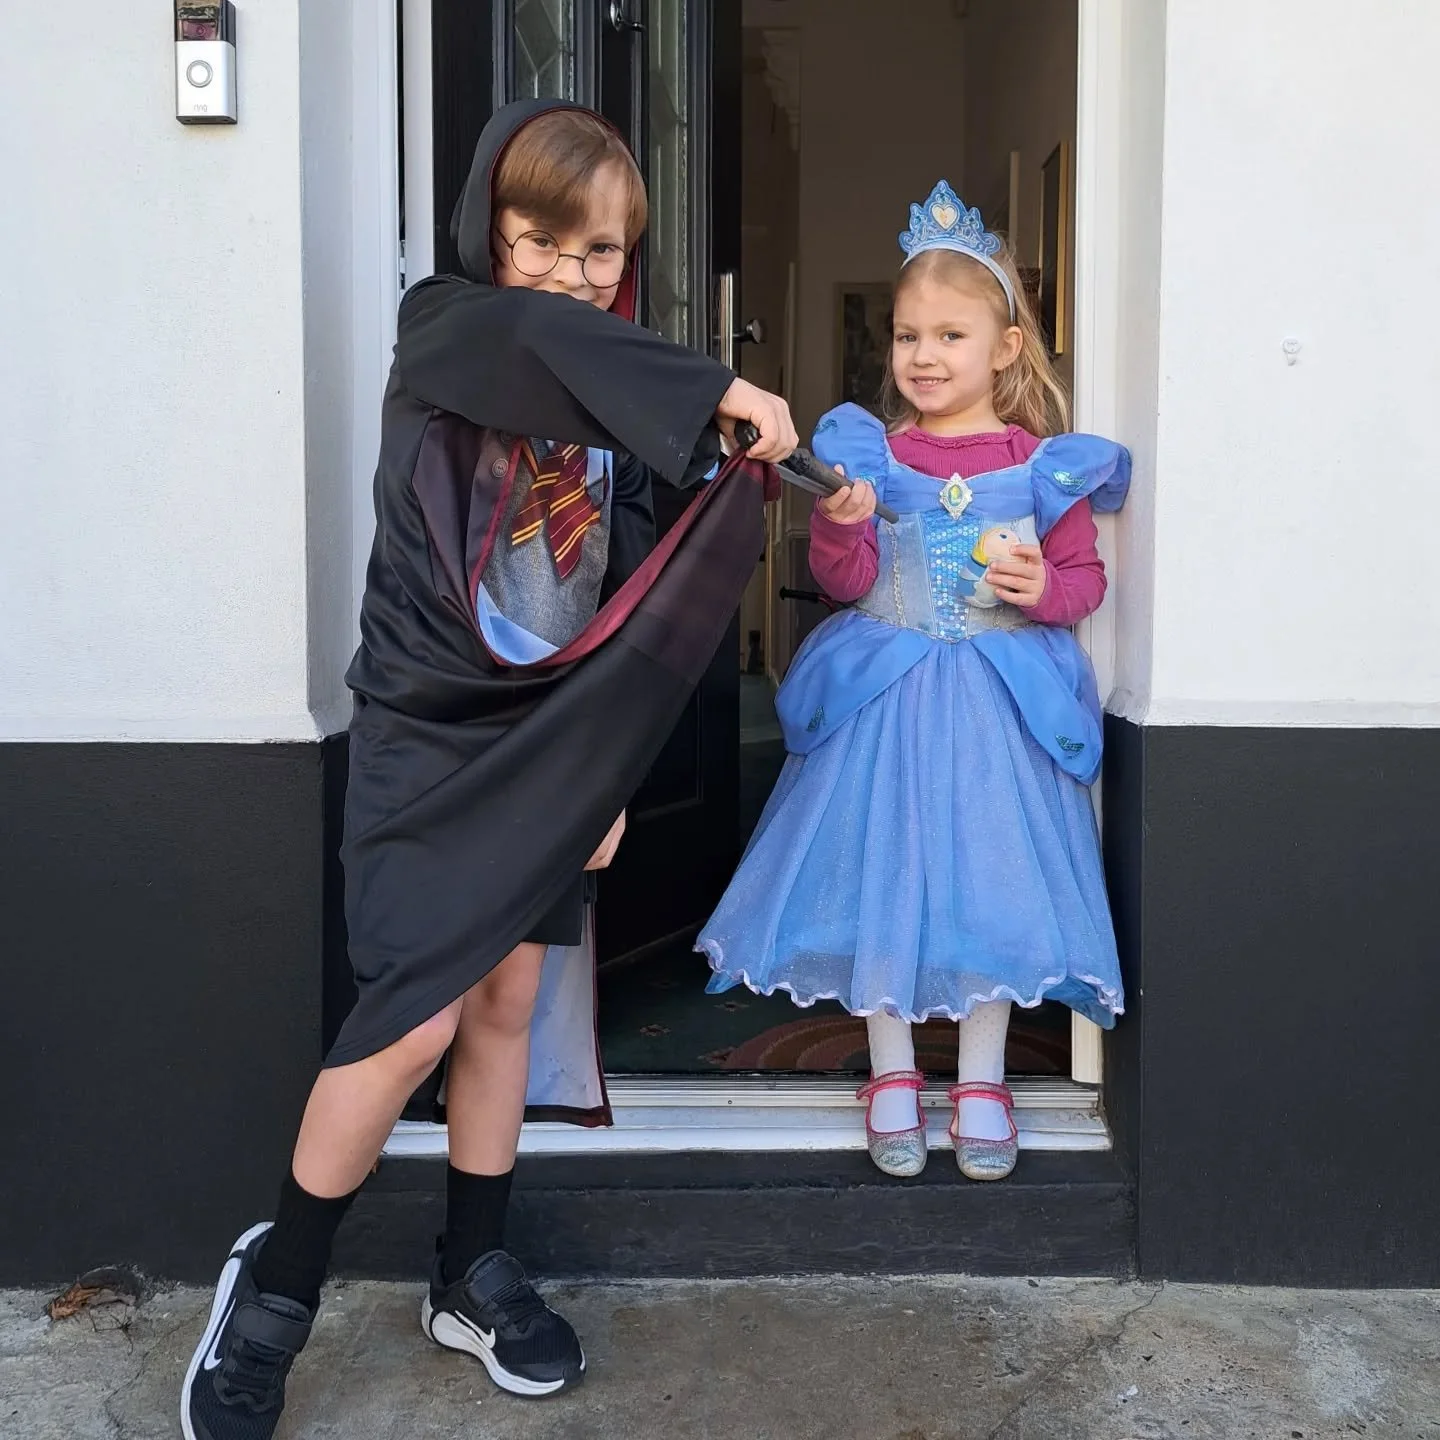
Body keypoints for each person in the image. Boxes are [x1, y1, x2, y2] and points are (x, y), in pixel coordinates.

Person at [182, 99, 795, 1440]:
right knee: (411, 1022)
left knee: (508, 1002)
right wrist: (718, 387)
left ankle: (470, 1270)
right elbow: (536, 340)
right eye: (542, 239)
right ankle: (277, 1286)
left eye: (602, 252)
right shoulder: (448, 329)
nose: (572, 274)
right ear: (487, 232)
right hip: (426, 736)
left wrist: (603, 775)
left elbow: (630, 608)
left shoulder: (620, 412)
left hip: (547, 747)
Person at [698, 180, 1129, 1183]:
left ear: (1005, 348)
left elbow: (1082, 579)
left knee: (992, 881)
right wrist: (841, 524)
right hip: (884, 699)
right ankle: (891, 1070)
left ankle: (982, 1080)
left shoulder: (1045, 467)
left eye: (949, 336)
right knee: (878, 873)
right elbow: (845, 583)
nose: (923, 357)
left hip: (999, 706)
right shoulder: (872, 456)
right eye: (906, 337)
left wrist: (1043, 588)